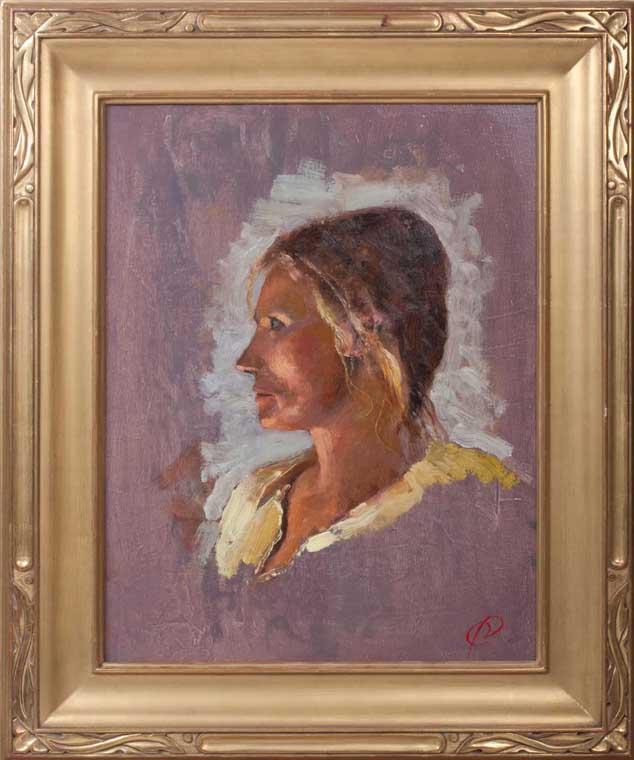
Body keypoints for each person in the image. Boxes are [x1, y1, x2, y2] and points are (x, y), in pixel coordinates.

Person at [162, 206, 536, 661]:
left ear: (361, 329)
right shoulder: (253, 500)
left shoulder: (473, 506)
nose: (246, 360)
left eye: (275, 326)